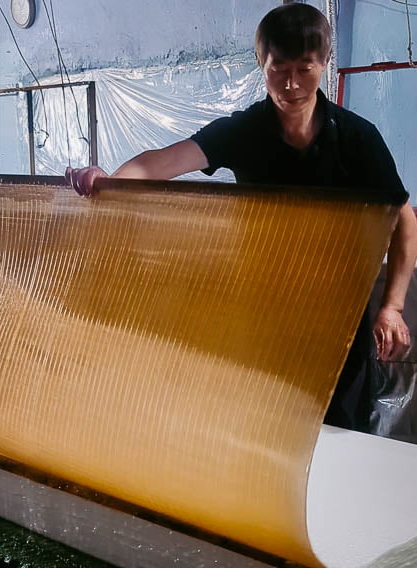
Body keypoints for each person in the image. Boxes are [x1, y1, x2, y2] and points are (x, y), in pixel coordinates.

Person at [66, 3, 417, 432]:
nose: (290, 84)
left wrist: (392, 307)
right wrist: (109, 179)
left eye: (305, 68)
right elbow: (165, 161)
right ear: (260, 63)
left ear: (325, 62)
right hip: (265, 311)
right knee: (270, 425)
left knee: (342, 432)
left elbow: (404, 221)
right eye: (278, 69)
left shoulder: (357, 138)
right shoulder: (246, 131)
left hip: (338, 317)